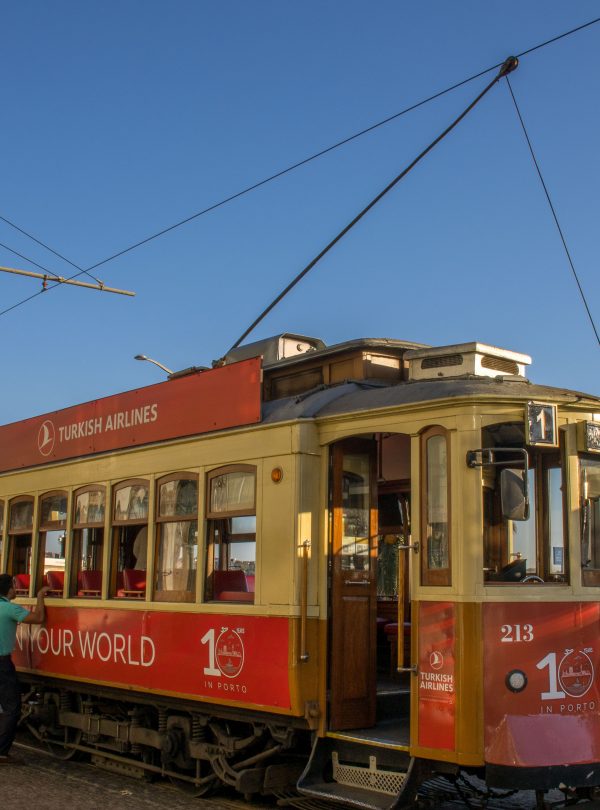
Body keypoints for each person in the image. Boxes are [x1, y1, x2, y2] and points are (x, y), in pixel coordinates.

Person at [0, 574, 50, 764]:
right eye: (13, 586)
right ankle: (1, 752)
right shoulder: (9, 609)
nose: (16, 590)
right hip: (2, 664)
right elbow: (38, 618)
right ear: (7, 590)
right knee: (12, 708)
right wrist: (39, 597)